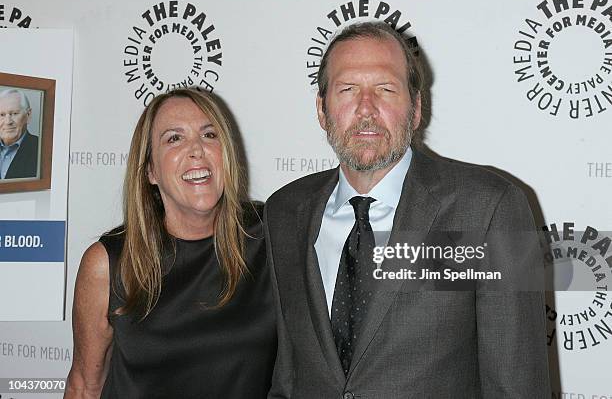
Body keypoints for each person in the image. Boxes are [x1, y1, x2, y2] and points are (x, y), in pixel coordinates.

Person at [265, 22, 550, 398]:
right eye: (347, 89)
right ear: (322, 109)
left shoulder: (490, 208)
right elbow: (287, 377)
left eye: (385, 89)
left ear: (415, 109)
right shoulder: (284, 212)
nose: (366, 108)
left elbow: (516, 384)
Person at [65, 88, 276, 398]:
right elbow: (85, 386)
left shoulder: (271, 237)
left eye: (209, 134)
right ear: (150, 170)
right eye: (174, 138)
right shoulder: (108, 264)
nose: (196, 151)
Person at [0, 88, 38, 179]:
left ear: (28, 115)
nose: (8, 121)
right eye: (2, 115)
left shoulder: (42, 149)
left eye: (14, 113)